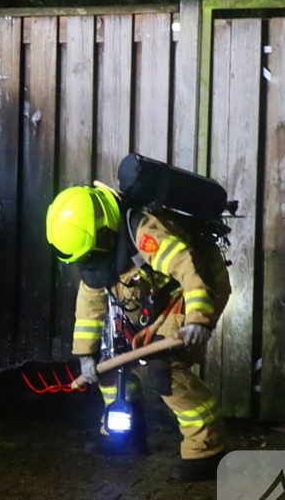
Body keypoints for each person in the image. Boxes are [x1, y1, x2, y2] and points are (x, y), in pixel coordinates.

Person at [46, 183, 232, 482]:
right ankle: (125, 436)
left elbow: (188, 269)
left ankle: (208, 450)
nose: (90, 259)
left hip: (191, 289)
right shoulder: (95, 250)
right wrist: (85, 355)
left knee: (165, 367)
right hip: (147, 298)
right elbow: (89, 305)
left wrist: (198, 318)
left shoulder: (145, 233)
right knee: (109, 362)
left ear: (103, 232)